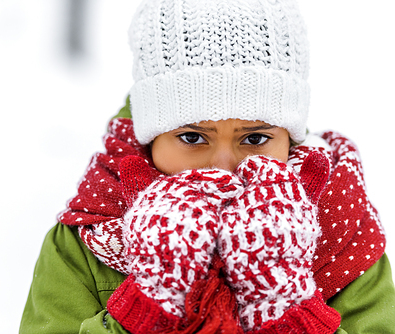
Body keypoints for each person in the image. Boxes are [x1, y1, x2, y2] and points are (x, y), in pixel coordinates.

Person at [19, 0, 395, 333]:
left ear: (289, 139)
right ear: (151, 140)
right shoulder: (89, 236)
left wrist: (288, 309)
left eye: (254, 139)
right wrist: (145, 307)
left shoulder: (343, 231)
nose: (223, 167)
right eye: (193, 138)